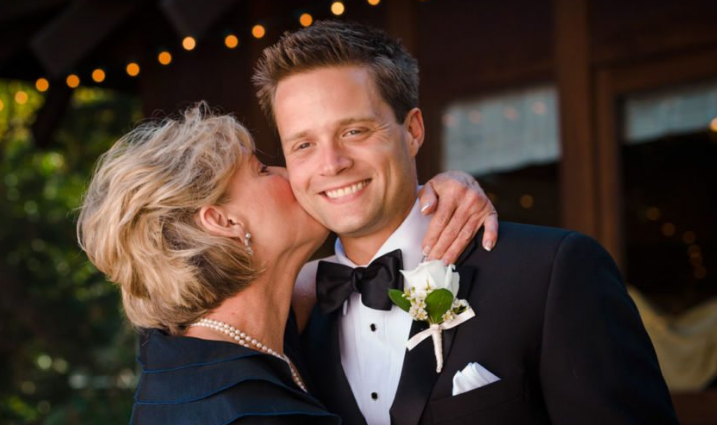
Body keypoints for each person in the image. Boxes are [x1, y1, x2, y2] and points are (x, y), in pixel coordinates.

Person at [252, 21, 679, 425]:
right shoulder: (288, 317)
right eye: (304, 144)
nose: (331, 164)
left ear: (413, 130)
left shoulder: (552, 271)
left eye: (354, 132)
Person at [77, 104, 497, 424]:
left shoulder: (181, 350)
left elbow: (358, 267)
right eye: (261, 170)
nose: (289, 174)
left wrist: (440, 195)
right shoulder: (247, 413)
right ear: (223, 221)